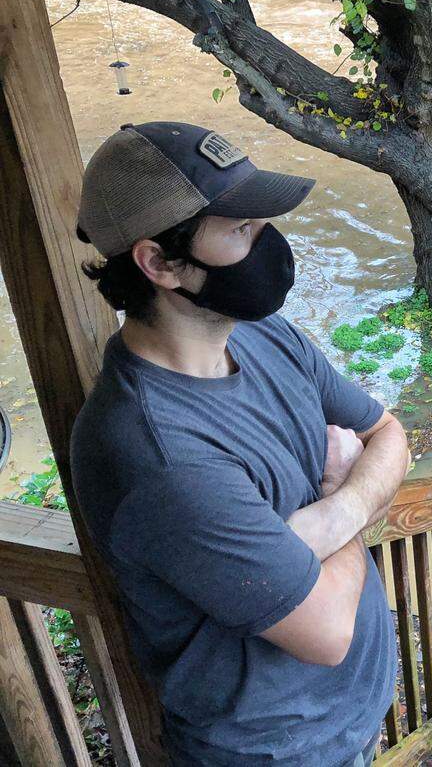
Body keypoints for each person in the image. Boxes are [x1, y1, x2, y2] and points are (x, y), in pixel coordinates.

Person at [69, 121, 408, 766]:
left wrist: (332, 515)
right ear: (160, 263)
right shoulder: (160, 457)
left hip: (347, 719)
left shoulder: (263, 334)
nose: (270, 246)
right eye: (240, 230)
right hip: (276, 751)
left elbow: (388, 433)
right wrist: (346, 487)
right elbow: (328, 631)